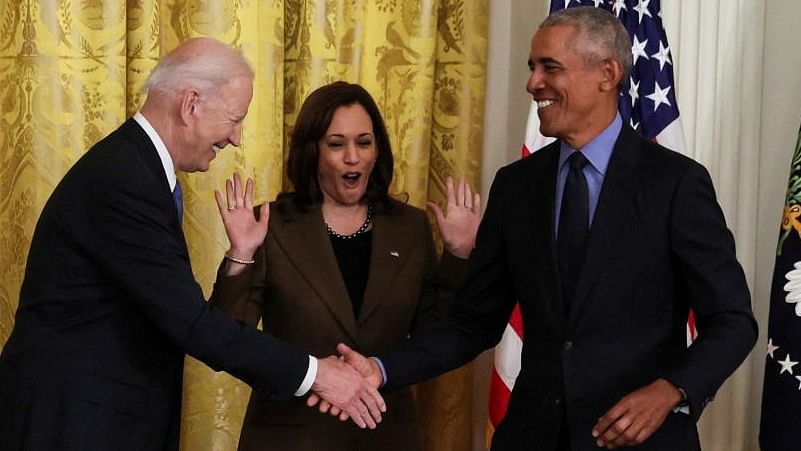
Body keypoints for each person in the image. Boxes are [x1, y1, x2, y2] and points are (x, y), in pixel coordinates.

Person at [330, 7, 758, 451]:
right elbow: (473, 321)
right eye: (532, 67)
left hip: (639, 440)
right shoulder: (516, 186)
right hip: (532, 437)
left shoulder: (675, 183)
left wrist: (672, 390)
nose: (533, 83)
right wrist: (381, 368)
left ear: (607, 73)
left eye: (549, 67)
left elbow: (732, 321)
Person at [0, 38, 384, 451]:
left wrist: (241, 255)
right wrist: (318, 375)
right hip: (72, 424)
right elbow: (193, 324)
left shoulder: (135, 167)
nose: (236, 138)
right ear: (191, 104)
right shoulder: (125, 181)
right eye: (234, 119)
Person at [208, 81, 481, 451]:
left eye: (364, 143)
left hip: (386, 435)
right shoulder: (271, 224)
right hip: (291, 437)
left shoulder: (410, 226)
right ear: (313, 152)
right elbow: (226, 337)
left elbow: (436, 337)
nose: (353, 157)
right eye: (337, 144)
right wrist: (241, 253)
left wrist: (460, 255)